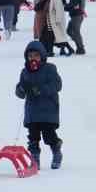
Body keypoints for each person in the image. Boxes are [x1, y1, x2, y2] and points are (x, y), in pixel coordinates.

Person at [15, 40, 64, 169]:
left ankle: (56, 151)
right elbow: (21, 89)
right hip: (32, 111)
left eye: (36, 55)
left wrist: (41, 90)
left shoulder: (50, 69)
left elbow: (57, 85)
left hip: (48, 110)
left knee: (49, 136)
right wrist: (20, 90)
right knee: (33, 137)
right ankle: (35, 158)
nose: (33, 59)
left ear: (42, 56)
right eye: (30, 56)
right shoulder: (25, 72)